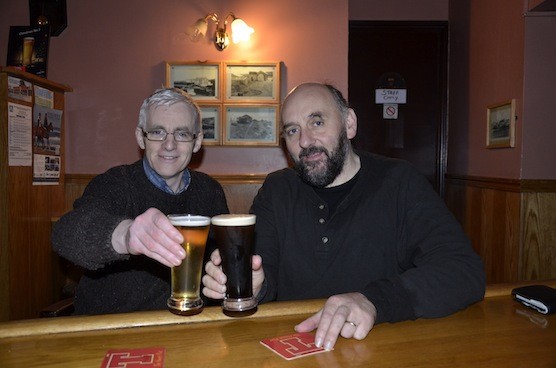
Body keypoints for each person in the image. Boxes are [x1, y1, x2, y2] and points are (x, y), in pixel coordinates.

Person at [203, 82, 485, 350]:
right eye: (292, 131)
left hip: (379, 346)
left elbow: (463, 271)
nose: (305, 141)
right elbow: (263, 267)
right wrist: (255, 284)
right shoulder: (277, 189)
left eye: (317, 122)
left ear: (349, 123)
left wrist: (373, 301)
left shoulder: (400, 182)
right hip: (293, 345)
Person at [52, 88, 229, 315]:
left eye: (182, 134)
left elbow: (216, 262)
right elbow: (65, 235)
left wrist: (221, 275)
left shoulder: (210, 191)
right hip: (110, 328)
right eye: (157, 132)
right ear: (140, 138)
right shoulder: (115, 184)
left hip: (185, 324)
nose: (169, 144)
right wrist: (126, 235)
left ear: (197, 142)